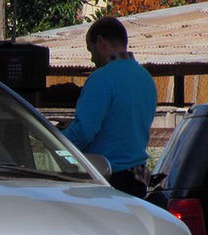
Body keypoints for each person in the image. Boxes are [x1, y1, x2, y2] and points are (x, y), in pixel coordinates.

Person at [62, 16, 157, 198]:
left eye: (91, 50)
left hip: (108, 178)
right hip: (138, 178)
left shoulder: (101, 78)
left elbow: (83, 132)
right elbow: (123, 123)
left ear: (100, 41)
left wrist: (53, 141)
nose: (91, 58)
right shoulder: (145, 78)